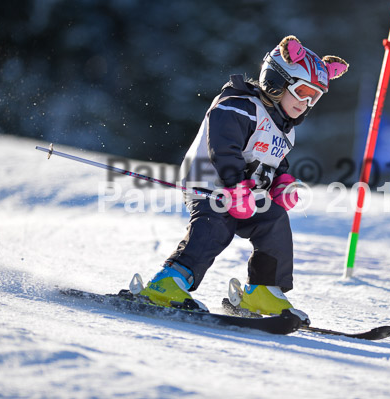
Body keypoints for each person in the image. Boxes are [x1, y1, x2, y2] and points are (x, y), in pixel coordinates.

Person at [136, 35, 348, 318]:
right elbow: (223, 147)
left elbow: (273, 162)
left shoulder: (285, 128)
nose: (306, 103)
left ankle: (263, 289)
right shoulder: (238, 105)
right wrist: (235, 186)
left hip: (246, 195)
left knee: (273, 220)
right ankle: (169, 281)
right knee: (216, 226)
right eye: (302, 92)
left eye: (314, 97)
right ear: (277, 81)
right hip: (210, 184)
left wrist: (280, 184)